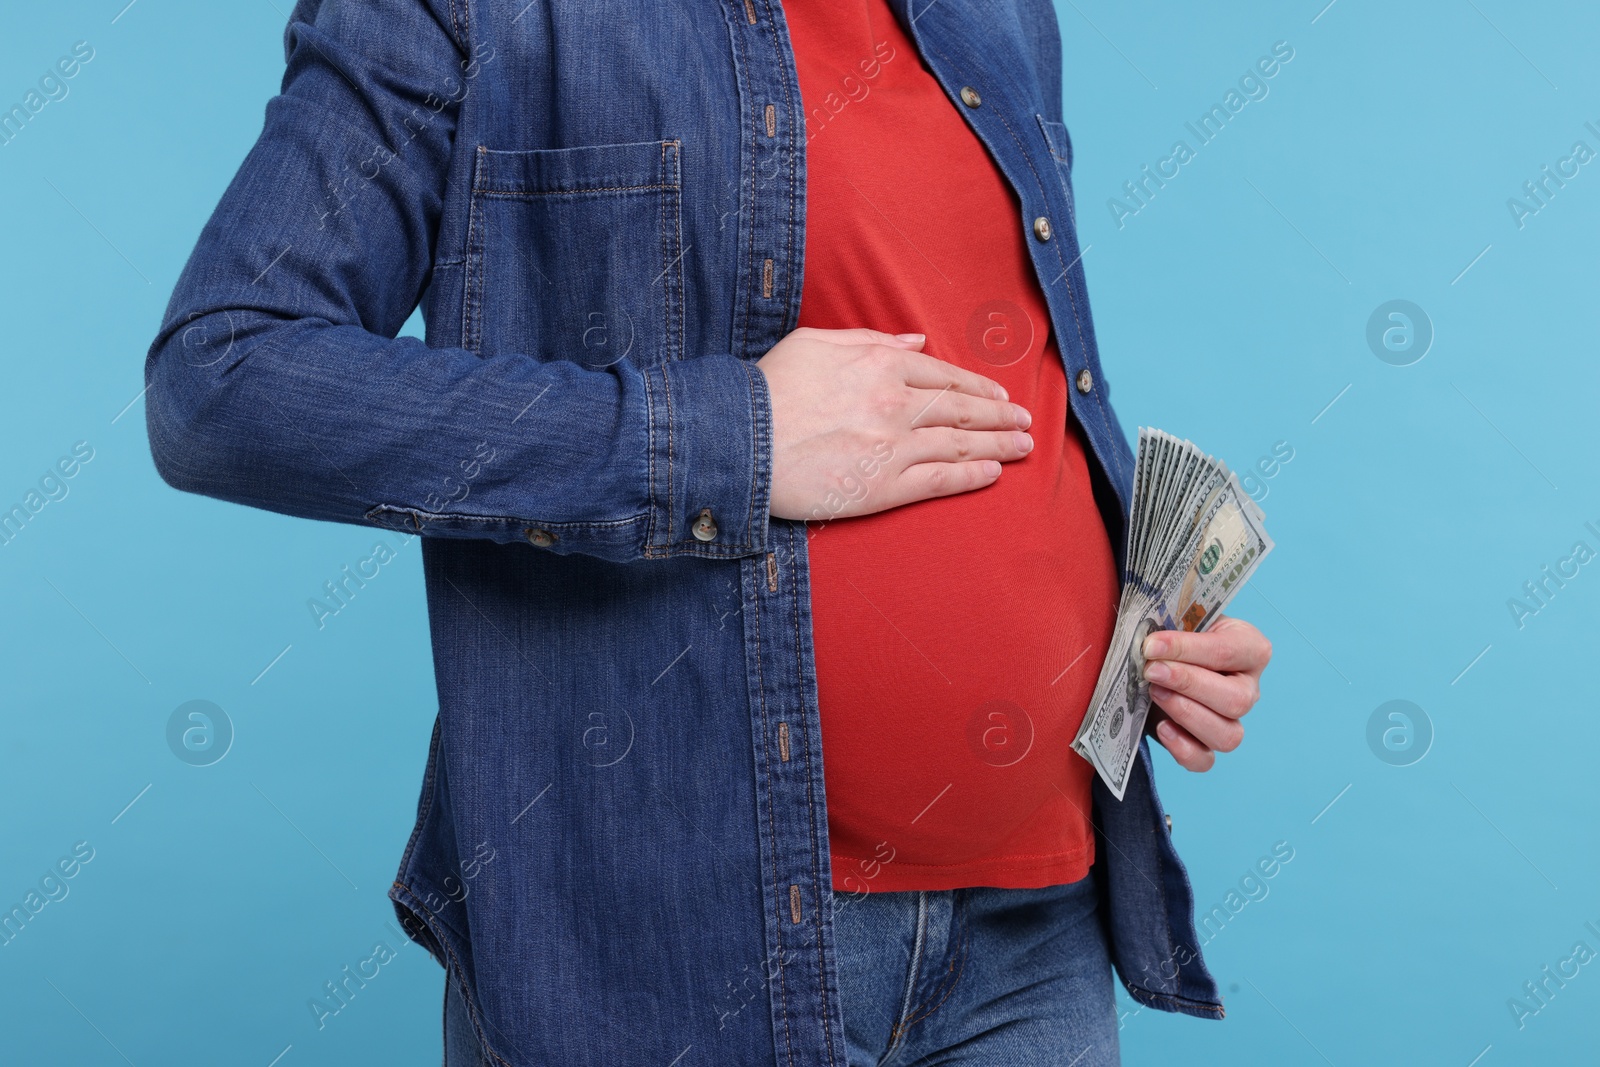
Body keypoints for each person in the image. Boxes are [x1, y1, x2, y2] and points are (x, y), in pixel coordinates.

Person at [145, 0, 1272, 1063]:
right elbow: (223, 377)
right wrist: (733, 435)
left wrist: (1132, 635)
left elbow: (1014, 377)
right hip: (678, 951)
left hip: (1041, 934)